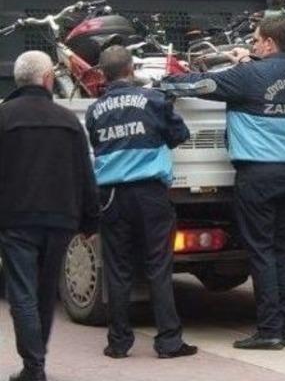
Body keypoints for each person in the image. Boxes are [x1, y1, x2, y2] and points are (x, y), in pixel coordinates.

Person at [160, 15, 285, 350]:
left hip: (259, 175)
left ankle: (269, 330)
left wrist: (164, 82)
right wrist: (245, 63)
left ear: (269, 44)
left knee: (261, 252)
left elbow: (196, 85)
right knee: (284, 252)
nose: (252, 45)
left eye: (256, 40)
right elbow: (266, 84)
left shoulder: (248, 76)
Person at [85, 46, 197, 360]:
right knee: (158, 268)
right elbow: (180, 134)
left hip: (110, 198)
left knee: (117, 270)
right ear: (131, 69)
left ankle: (118, 343)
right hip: (150, 195)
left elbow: (98, 145)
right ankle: (168, 342)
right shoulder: (154, 100)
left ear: (103, 74)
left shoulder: (95, 110)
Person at [0, 51, 101, 381]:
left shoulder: (4, 117)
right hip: (60, 220)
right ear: (47, 80)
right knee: (45, 294)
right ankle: (36, 365)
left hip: (16, 220)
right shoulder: (69, 120)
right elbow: (85, 173)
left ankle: (34, 367)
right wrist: (90, 221)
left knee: (22, 294)